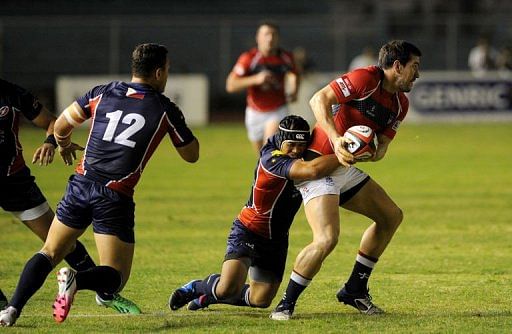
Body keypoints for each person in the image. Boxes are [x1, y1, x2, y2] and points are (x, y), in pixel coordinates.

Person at [0, 43, 200, 327]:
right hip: (114, 195)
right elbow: (192, 156)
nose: (167, 75)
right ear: (158, 73)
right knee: (115, 276)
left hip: (80, 185)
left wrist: (65, 145)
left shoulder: (101, 92)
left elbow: (60, 127)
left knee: (49, 251)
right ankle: (76, 280)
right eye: (167, 70)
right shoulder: (165, 108)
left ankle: (11, 309)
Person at [270, 40, 422, 320]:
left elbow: (382, 149)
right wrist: (337, 139)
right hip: (318, 166)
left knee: (391, 216)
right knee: (327, 238)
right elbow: (318, 99)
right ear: (397, 66)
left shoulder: (400, 104)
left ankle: (355, 289)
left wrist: (370, 151)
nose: (417, 74)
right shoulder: (366, 78)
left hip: (345, 168)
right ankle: (285, 303)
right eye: (414, 67)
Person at [167, 115, 339, 313]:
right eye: (291, 145)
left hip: (276, 240)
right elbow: (312, 171)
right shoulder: (271, 158)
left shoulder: (300, 154)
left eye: (301, 145)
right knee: (227, 288)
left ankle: (208, 297)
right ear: (281, 139)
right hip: (249, 230)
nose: (296, 150)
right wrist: (347, 154)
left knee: (260, 299)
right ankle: (195, 287)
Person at [0, 78, 139, 314]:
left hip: (15, 182)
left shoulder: (11, 93)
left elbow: (51, 122)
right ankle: (5, 305)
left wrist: (50, 142)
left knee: (63, 243)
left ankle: (104, 293)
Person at [226, 21, 300, 156]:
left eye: (273, 35)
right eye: (266, 34)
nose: (270, 38)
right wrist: (256, 79)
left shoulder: (286, 58)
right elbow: (231, 85)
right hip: (254, 111)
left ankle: (282, 175)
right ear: (258, 37)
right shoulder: (249, 58)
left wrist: (294, 92)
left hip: (277, 109)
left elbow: (295, 73)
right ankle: (265, 174)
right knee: (261, 156)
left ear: (278, 38)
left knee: (270, 150)